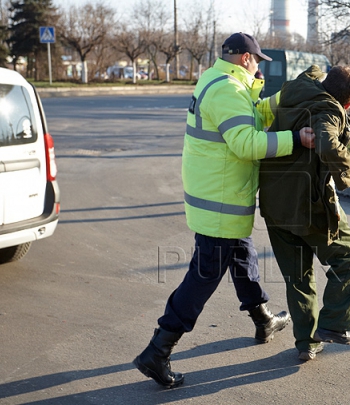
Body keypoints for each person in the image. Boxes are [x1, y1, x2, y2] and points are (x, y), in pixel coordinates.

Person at [133, 32, 316, 388]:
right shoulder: (226, 90)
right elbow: (247, 142)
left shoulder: (222, 82)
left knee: (242, 257)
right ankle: (157, 350)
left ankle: (262, 318)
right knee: (203, 278)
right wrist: (296, 139)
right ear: (247, 58)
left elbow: (252, 115)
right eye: (257, 62)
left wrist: (284, 96)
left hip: (222, 196)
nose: (257, 68)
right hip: (219, 201)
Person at [259, 65, 350, 362]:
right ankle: (334, 325)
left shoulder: (293, 95)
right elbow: (327, 140)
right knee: (348, 259)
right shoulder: (330, 109)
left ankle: (307, 343)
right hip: (309, 205)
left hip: (275, 204)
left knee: (298, 276)